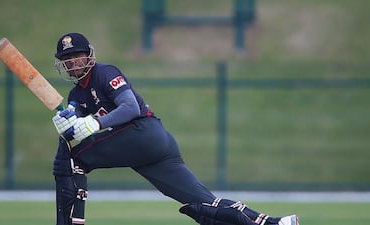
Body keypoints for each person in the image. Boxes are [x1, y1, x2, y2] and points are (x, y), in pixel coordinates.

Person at [51, 32, 299, 225]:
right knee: (205, 205)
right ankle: (272, 222)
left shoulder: (104, 72)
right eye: (66, 60)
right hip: (151, 149)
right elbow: (75, 128)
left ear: (89, 55)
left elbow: (130, 108)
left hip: (144, 134)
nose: (72, 63)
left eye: (77, 56)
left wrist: (95, 123)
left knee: (71, 159)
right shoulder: (76, 94)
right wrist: (66, 125)